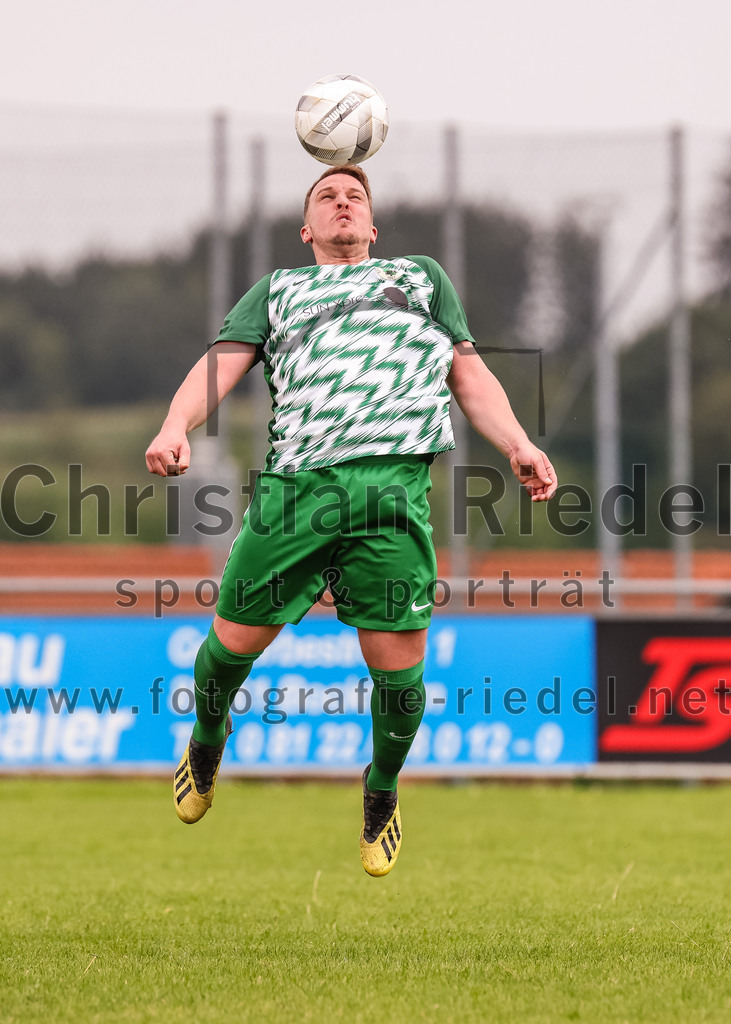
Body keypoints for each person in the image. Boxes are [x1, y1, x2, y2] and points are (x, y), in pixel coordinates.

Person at [146, 163, 557, 877]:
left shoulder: (422, 279)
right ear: (307, 229)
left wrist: (519, 442)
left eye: (354, 197)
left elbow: (468, 374)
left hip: (391, 494)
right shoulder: (280, 291)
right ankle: (208, 740)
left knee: (396, 670)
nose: (342, 203)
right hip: (297, 491)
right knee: (225, 649)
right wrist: (175, 423)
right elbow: (220, 362)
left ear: (372, 228)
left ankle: (381, 790)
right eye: (326, 198)